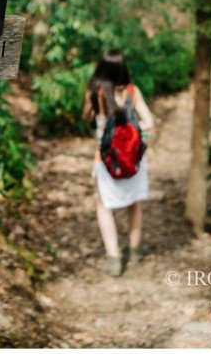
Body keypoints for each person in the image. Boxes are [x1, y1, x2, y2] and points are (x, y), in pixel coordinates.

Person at [81, 49, 156, 276]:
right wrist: (131, 134)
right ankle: (135, 250)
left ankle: (114, 257)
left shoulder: (96, 94)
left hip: (106, 161)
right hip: (133, 160)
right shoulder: (133, 92)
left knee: (103, 205)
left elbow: (87, 119)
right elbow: (149, 123)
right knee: (134, 203)